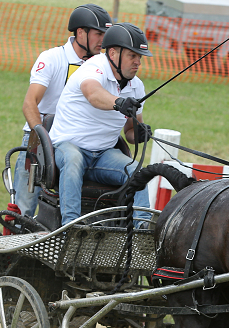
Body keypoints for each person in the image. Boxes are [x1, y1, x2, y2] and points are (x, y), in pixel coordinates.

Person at [49, 22, 154, 226]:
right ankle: (71, 226)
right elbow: (92, 93)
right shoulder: (93, 67)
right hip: (68, 146)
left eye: (139, 57)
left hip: (104, 155)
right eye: (132, 56)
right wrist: (118, 103)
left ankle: (143, 226)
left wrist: (140, 134)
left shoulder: (136, 86)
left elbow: (130, 131)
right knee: (73, 160)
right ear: (113, 53)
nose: (137, 62)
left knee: (137, 171)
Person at [13, 4, 113, 217]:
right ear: (80, 32)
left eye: (106, 34)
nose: (103, 40)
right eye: (98, 33)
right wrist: (41, 137)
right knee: (23, 210)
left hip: (77, 144)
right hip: (40, 141)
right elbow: (30, 103)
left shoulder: (103, 66)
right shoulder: (52, 58)